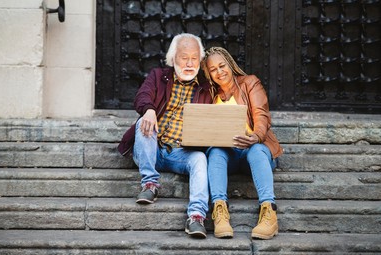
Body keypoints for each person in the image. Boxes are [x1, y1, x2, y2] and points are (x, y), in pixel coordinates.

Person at [118, 33, 213, 238]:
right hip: (152, 147)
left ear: (200, 60)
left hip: (181, 153)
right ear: (173, 59)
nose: (189, 63)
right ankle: (150, 183)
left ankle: (196, 216)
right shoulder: (159, 76)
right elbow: (142, 96)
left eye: (194, 58)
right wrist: (149, 110)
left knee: (200, 159)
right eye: (184, 57)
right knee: (145, 122)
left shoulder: (207, 87)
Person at [201, 47, 284, 240]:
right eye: (213, 69)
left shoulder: (249, 83)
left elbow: (261, 114)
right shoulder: (210, 96)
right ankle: (220, 211)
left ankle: (269, 212)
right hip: (229, 156)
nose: (219, 72)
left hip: (254, 152)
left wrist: (256, 136)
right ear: (209, 74)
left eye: (222, 66)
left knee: (255, 150)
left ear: (230, 64)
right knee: (215, 152)